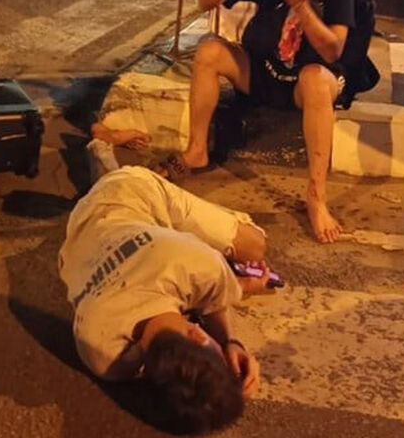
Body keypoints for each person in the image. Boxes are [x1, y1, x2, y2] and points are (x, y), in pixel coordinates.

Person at [158, 0, 363, 244]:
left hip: (308, 82)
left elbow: (333, 50)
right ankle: (197, 151)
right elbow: (205, 2)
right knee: (209, 51)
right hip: (262, 71)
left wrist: (300, 4)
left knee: (315, 79)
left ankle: (316, 198)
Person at [58, 159, 271, 434]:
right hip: (84, 225)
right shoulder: (102, 357)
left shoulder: (198, 263)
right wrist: (230, 338)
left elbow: (211, 297)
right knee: (243, 253)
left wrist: (229, 340)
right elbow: (209, 298)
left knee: (254, 247)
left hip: (133, 190)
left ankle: (136, 171)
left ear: (197, 334)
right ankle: (106, 164)